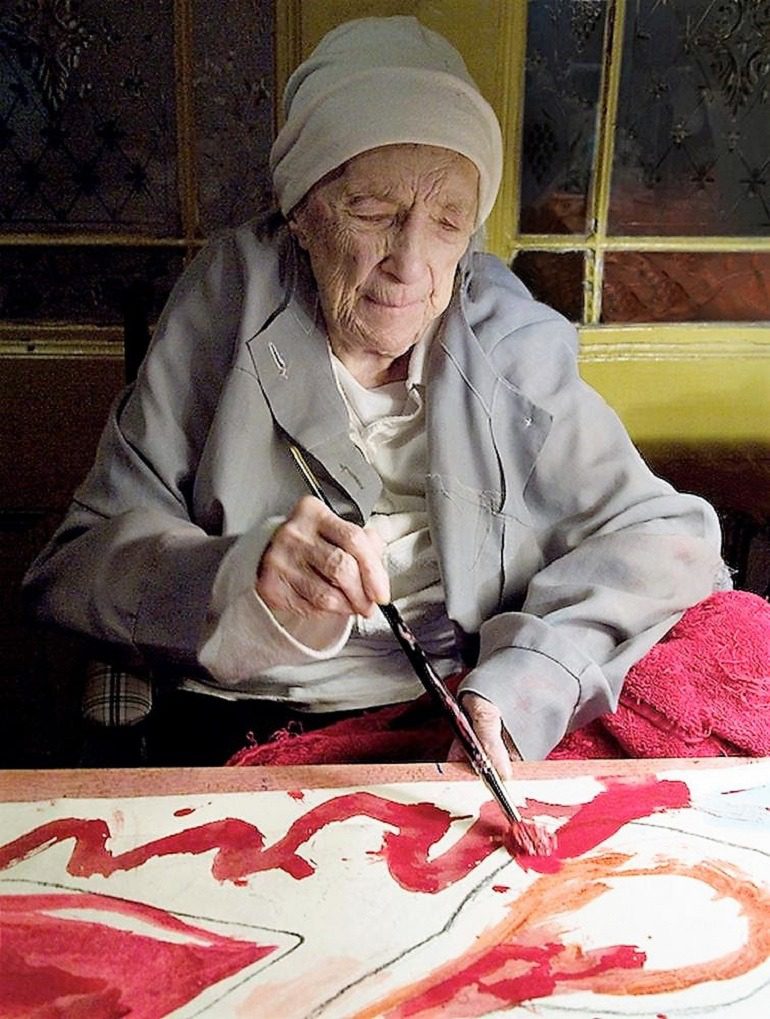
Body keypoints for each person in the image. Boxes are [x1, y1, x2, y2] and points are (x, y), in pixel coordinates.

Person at [23, 16, 727, 770]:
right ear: (301, 212)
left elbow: (667, 536)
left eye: (450, 221)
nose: (413, 264)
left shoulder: (504, 331)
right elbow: (77, 566)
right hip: (256, 717)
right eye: (374, 214)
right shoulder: (227, 301)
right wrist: (241, 574)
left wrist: (519, 685)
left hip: (460, 706)